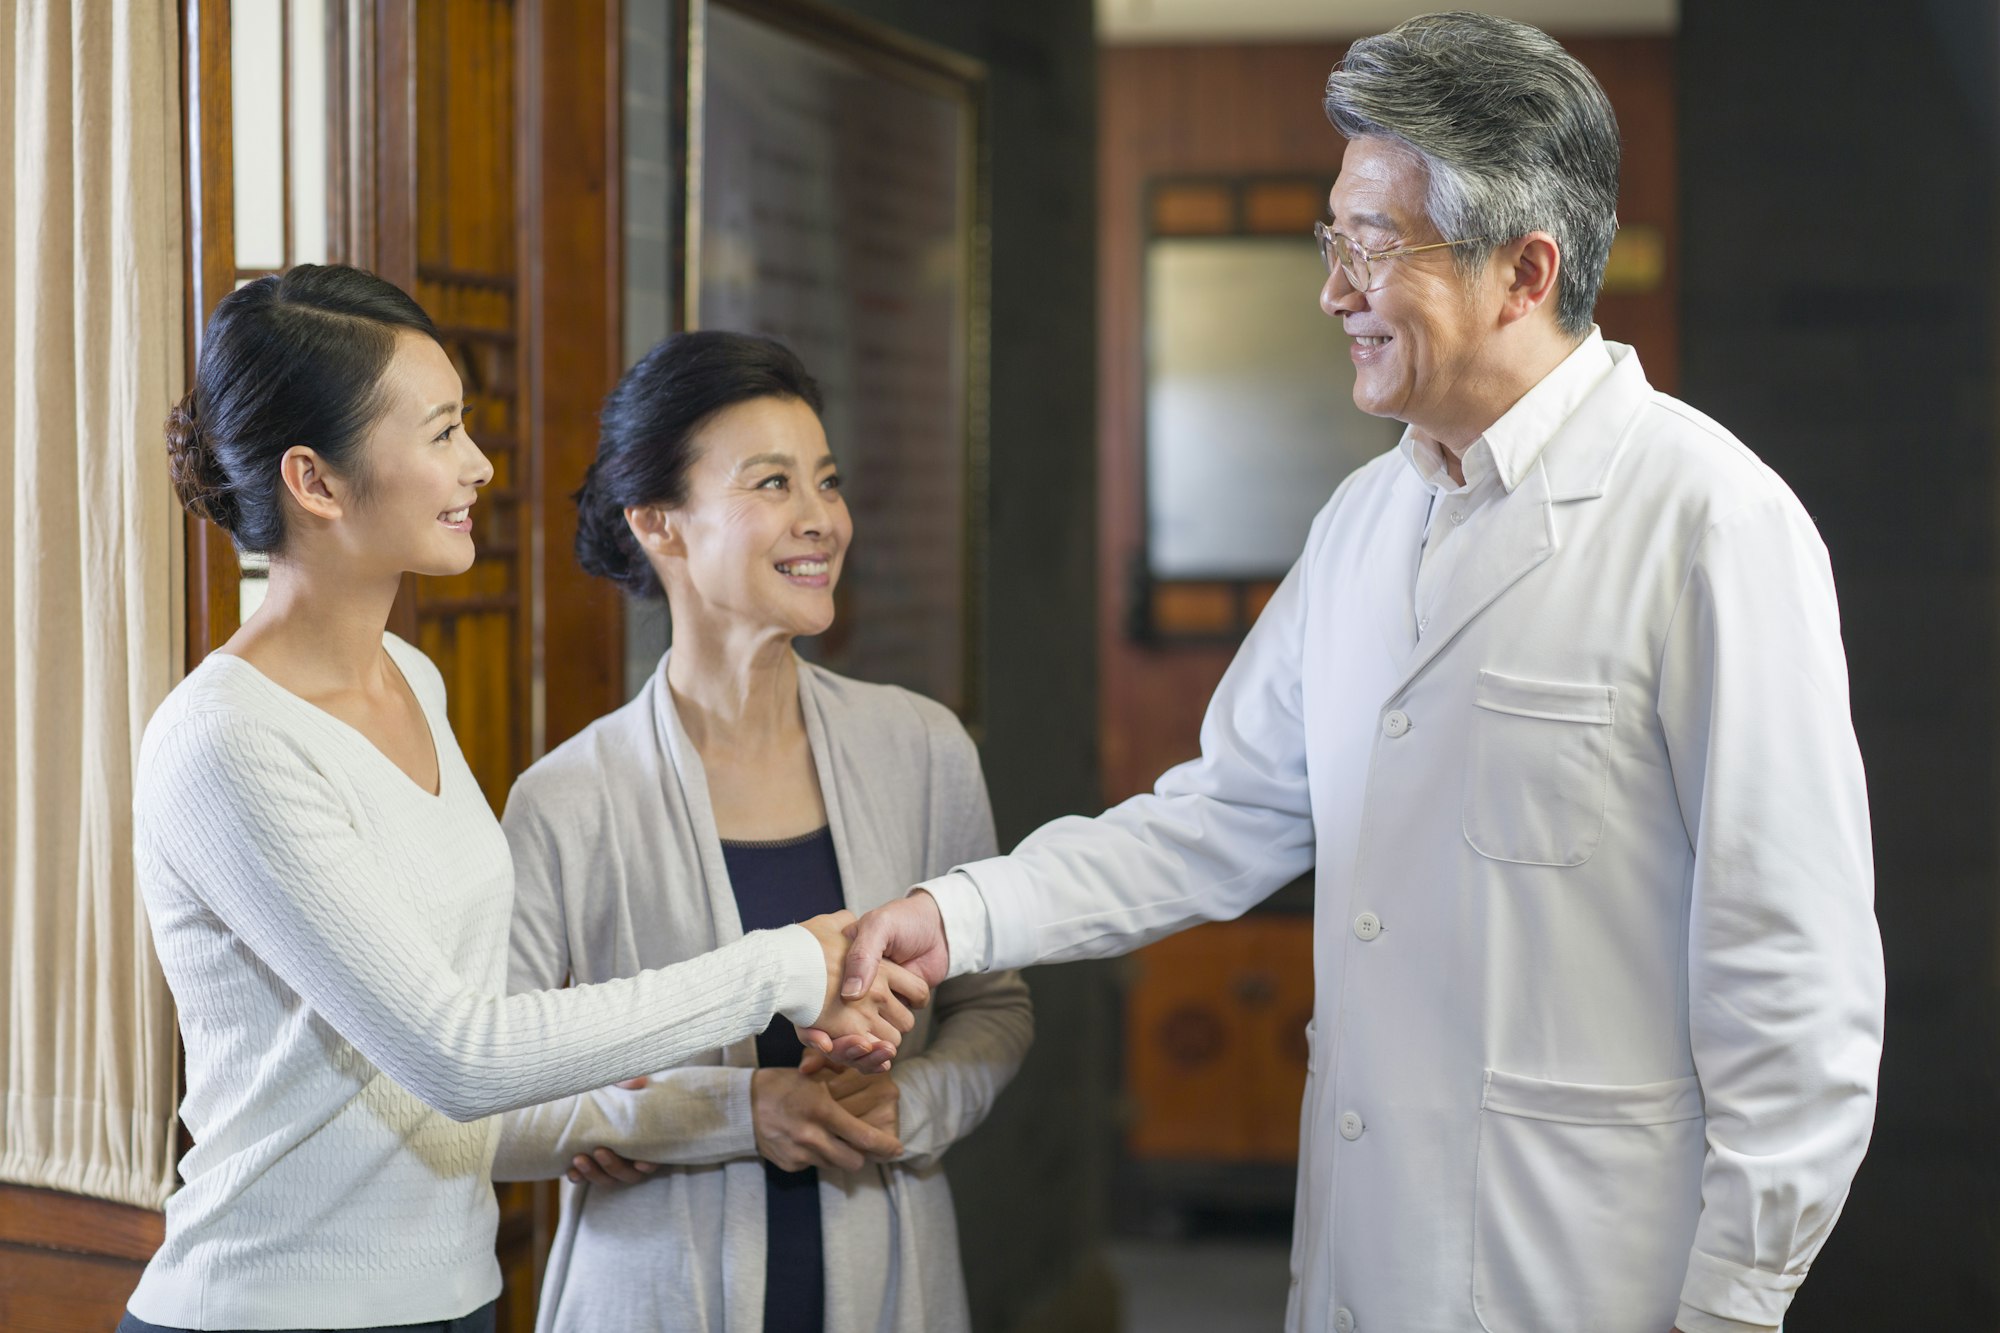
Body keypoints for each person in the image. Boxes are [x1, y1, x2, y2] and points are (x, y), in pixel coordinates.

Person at [837, 14, 1885, 1333]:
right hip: (1360, 1264)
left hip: (1591, 1278)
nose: (1332, 290)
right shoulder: (1362, 525)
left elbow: (1794, 971)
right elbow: (1222, 813)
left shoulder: (1710, 524)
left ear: (1524, 270)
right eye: (1336, 240)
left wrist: (1735, 1304)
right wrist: (961, 917)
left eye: (1373, 247)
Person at [124, 266, 927, 1333]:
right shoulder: (225, 739)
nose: (478, 464)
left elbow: (482, 1024)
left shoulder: (412, 680)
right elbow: (461, 1053)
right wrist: (787, 966)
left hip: (454, 1294)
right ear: (315, 482)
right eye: (442, 431)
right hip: (274, 1307)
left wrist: (655, 1107)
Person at [487, 331, 1032, 1333]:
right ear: (659, 523)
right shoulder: (565, 798)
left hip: (889, 1278)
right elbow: (487, 1100)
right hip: (649, 1293)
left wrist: (912, 1106)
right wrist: (712, 1113)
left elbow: (994, 1008)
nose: (820, 518)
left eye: (824, 481)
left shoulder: (920, 747)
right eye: (771, 483)